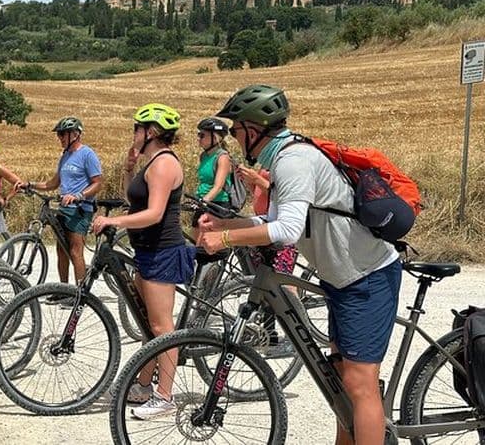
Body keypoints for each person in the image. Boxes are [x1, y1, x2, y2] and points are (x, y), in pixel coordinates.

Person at [199, 84, 402, 445]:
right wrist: (224, 225)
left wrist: (227, 239)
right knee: (340, 379)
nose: (233, 137)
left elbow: (287, 230)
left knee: (359, 383)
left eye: (235, 129)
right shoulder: (284, 157)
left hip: (366, 275)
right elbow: (272, 221)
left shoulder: (293, 160)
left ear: (253, 129)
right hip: (342, 277)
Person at [92, 103, 194, 420]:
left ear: (150, 131)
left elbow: (154, 214)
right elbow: (132, 201)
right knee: (147, 321)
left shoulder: (164, 165)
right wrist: (128, 167)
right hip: (147, 251)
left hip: (163, 251)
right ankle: (144, 385)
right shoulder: (149, 163)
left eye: (136, 128)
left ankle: (165, 396)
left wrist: (114, 223)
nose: (133, 134)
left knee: (162, 327)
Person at [14, 117, 103, 301]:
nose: (60, 137)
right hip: (64, 207)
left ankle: (80, 294)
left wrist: (78, 195)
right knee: (61, 250)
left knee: (75, 250)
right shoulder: (65, 156)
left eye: (63, 134)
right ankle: (64, 291)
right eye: (59, 134)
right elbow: (52, 183)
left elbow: (97, 183)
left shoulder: (87, 154)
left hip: (80, 208)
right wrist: (30, 184)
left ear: (75, 134)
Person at [192, 117, 234, 244]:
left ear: (215, 137)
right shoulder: (204, 156)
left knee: (207, 244)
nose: (198, 138)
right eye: (198, 134)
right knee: (195, 242)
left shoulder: (222, 157)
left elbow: (218, 186)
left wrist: (204, 200)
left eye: (202, 135)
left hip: (217, 204)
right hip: (202, 201)